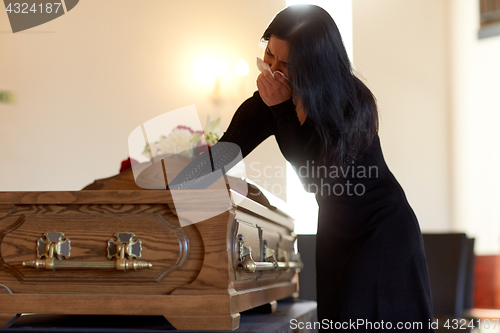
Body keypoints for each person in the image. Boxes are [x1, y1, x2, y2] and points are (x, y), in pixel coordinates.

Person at [172, 4, 434, 331]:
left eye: (287, 63)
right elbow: (223, 153)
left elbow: (319, 179)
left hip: (381, 229)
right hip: (335, 230)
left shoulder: (352, 101)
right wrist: (172, 179)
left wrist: (282, 109)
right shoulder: (266, 103)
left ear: (315, 64)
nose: (273, 68)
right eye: (269, 54)